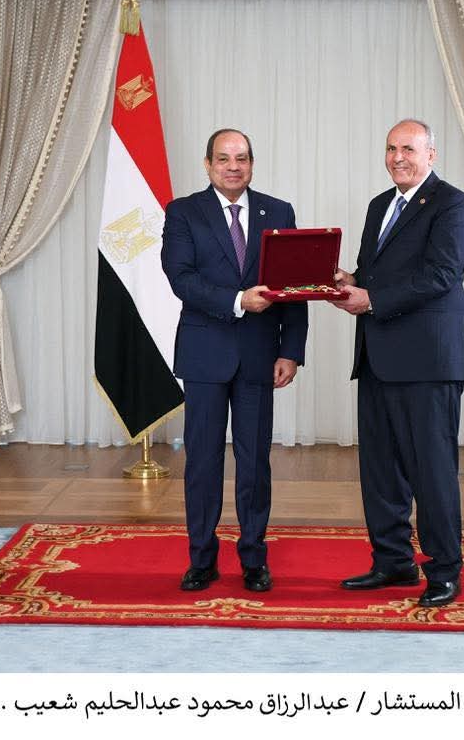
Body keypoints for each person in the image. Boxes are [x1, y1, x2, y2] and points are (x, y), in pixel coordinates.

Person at [329, 118, 464, 608]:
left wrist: (370, 299)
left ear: (431, 154)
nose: (398, 158)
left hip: (427, 361)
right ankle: (392, 561)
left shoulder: (453, 204)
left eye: (409, 149)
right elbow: (375, 273)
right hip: (377, 357)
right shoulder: (379, 205)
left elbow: (441, 275)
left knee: (432, 471)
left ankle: (444, 570)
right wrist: (346, 280)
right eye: (391, 148)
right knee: (381, 471)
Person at [161, 128, 308, 594]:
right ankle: (201, 559)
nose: (233, 167)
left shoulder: (278, 211)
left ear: (252, 163)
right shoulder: (183, 212)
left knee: (254, 463)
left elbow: (295, 284)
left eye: (241, 158)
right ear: (207, 164)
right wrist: (238, 300)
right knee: (202, 463)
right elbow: (180, 278)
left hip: (260, 357)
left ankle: (254, 559)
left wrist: (291, 350)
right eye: (223, 159)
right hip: (204, 355)